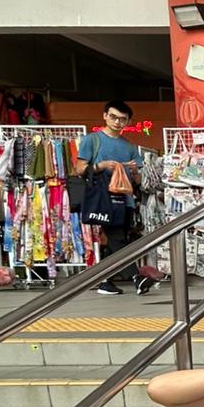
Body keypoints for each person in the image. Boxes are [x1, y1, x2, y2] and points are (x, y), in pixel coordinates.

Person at [75, 99, 149, 296]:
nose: (117, 122)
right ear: (105, 116)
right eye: (113, 117)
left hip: (126, 199)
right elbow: (79, 169)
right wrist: (101, 165)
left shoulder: (129, 146)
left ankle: (105, 281)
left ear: (128, 122)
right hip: (104, 198)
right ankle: (137, 277)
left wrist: (134, 171)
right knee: (117, 238)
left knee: (118, 240)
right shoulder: (92, 140)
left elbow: (138, 179)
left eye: (122, 119)